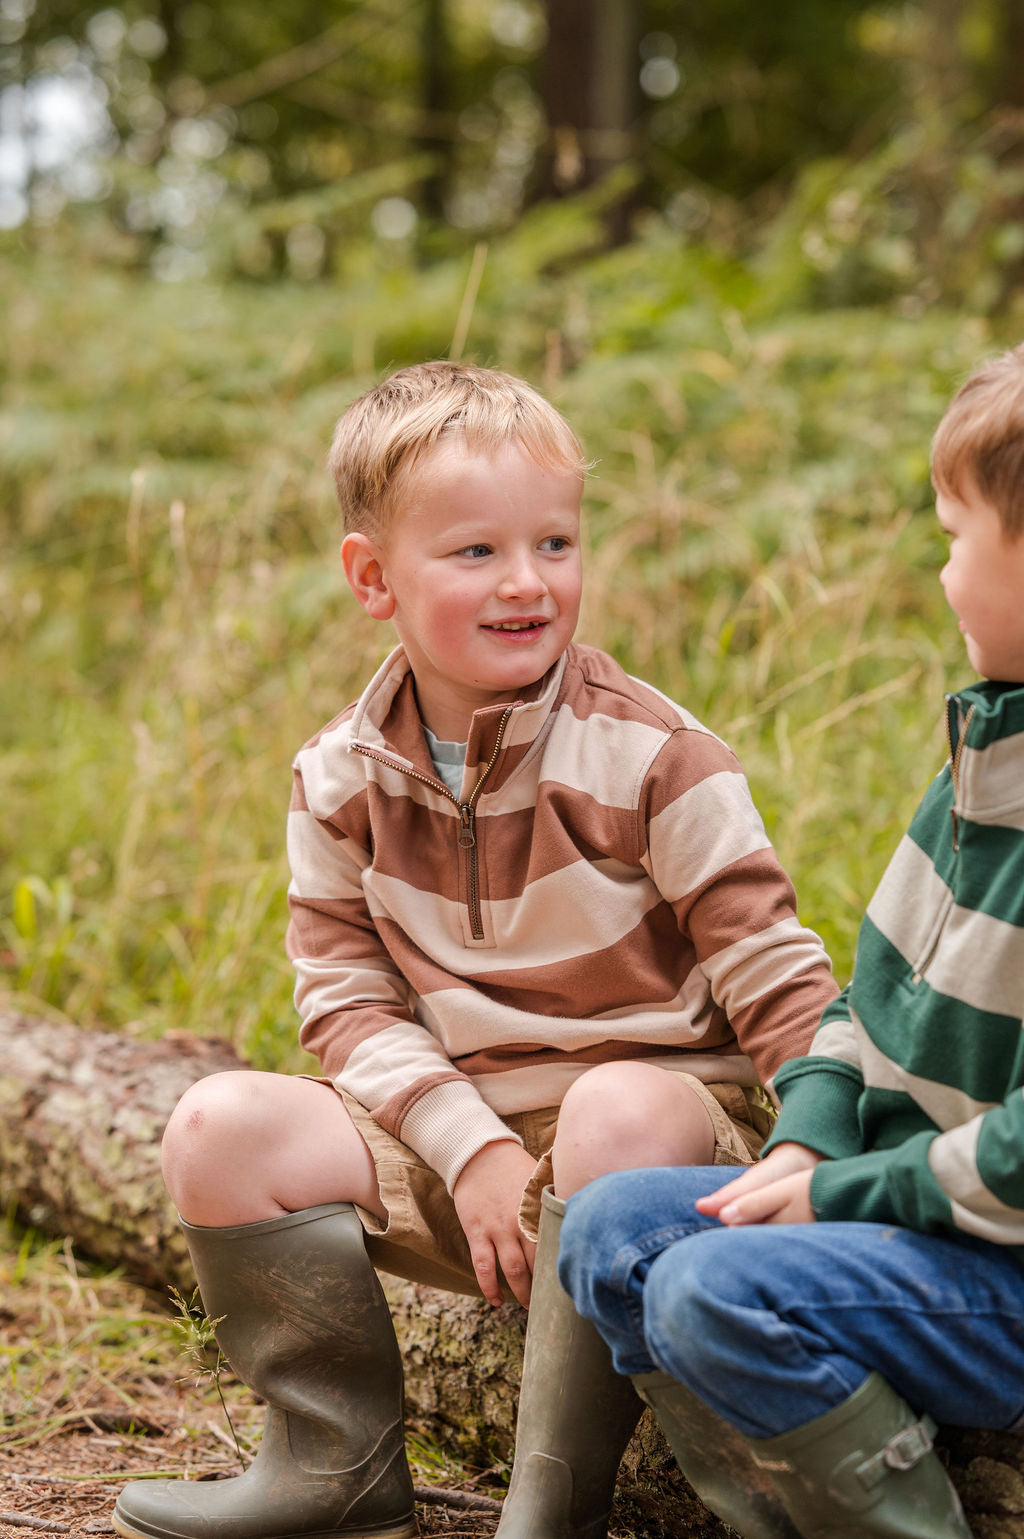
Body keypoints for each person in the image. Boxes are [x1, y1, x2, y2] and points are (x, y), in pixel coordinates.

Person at [112, 360, 837, 1539]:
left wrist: (816, 1136)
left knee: (616, 1111)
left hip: (657, 1153)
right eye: (475, 553)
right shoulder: (338, 774)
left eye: (556, 543)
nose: (528, 583)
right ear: (371, 578)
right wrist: (472, 1148)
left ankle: (551, 1495)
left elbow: (773, 964)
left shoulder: (651, 754)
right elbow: (346, 1005)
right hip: (462, 1142)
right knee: (218, 1128)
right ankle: (332, 1464)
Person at [558, 342, 1024, 1539]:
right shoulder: (981, 768)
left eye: (953, 537)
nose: (940, 571)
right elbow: (867, 997)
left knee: (716, 1288)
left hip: (995, 1258)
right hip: (924, 1219)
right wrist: (807, 1136)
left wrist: (844, 1194)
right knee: (614, 1231)